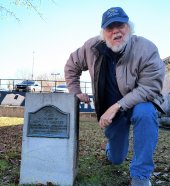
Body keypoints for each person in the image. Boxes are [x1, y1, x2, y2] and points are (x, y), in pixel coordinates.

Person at [64, 7, 166, 186]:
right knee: (117, 159)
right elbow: (72, 66)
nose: (116, 31)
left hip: (139, 103)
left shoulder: (146, 48)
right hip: (112, 112)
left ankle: (141, 176)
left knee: (146, 114)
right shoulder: (92, 47)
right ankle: (112, 151)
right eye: (110, 28)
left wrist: (117, 105)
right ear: (103, 33)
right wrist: (75, 91)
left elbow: (150, 87)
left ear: (129, 27)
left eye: (120, 25)